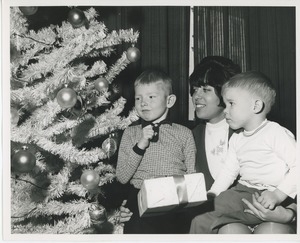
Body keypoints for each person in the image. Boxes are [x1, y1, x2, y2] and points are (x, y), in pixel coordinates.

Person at [189, 71, 297, 234]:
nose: (225, 110)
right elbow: (228, 173)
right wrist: (212, 194)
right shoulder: (237, 139)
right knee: (201, 214)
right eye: (225, 104)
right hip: (243, 191)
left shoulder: (276, 133)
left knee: (202, 218)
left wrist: (277, 195)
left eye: (231, 104)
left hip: (269, 194)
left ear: (256, 106)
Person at [116, 69, 196, 234]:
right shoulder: (130, 133)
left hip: (175, 198)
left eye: (151, 97)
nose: (143, 103)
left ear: (169, 101)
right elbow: (122, 177)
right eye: (138, 98)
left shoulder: (184, 133)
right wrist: (140, 145)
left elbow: (192, 174)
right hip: (139, 197)